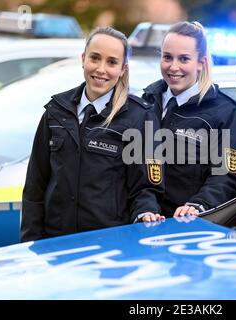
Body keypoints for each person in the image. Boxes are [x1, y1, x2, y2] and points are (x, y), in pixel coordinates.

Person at [21, 27, 164, 242]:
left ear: (123, 69)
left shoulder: (138, 117)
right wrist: (30, 243)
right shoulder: (56, 111)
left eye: (112, 62)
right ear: (83, 58)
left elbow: (144, 188)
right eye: (95, 58)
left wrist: (145, 214)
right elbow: (35, 185)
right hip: (55, 244)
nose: (101, 69)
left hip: (109, 247)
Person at [142, 21, 236, 217]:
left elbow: (225, 175)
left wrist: (199, 205)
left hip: (184, 224)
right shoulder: (145, 102)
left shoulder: (224, 112)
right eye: (167, 57)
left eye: (184, 59)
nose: (173, 67)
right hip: (140, 221)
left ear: (201, 62)